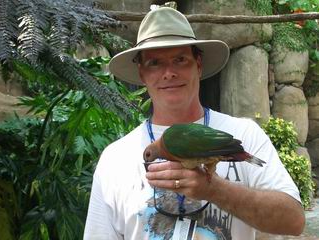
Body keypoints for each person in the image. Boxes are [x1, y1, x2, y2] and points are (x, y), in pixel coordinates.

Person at [84, 7, 305, 240]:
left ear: (198, 64)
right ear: (142, 74)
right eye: (155, 63)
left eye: (180, 60)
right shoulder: (114, 159)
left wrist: (216, 190)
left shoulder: (246, 133)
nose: (169, 73)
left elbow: (294, 221)